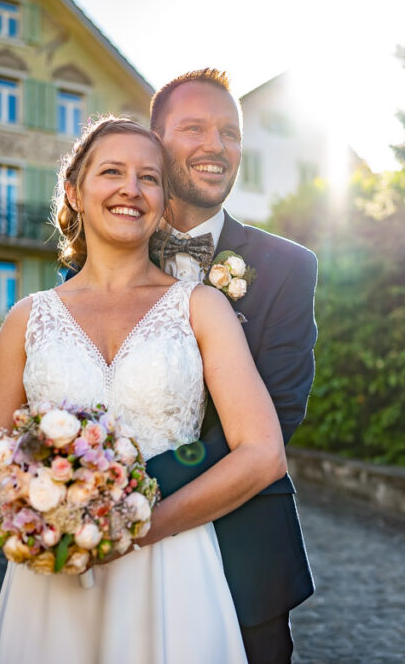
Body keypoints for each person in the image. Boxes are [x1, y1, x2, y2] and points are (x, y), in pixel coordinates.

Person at [0, 116, 287, 663]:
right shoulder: (27, 319)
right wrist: (39, 512)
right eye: (112, 172)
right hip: (54, 573)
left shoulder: (200, 307)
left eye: (149, 178)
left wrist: (132, 529)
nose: (131, 189)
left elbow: (263, 453)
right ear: (74, 191)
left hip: (174, 570)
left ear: (163, 201)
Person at [143, 69, 317, 664]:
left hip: (245, 549)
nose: (216, 146)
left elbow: (281, 410)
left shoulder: (289, 267)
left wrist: (140, 490)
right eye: (194, 128)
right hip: (118, 556)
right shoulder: (103, 257)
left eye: (231, 133)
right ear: (154, 142)